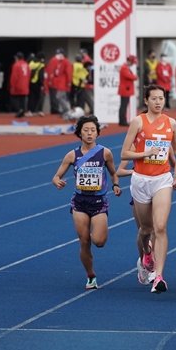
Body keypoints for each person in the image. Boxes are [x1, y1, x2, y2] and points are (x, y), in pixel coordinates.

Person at [121, 84, 176, 293]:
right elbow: (124, 153)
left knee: (160, 227)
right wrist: (145, 154)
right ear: (146, 101)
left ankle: (159, 277)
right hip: (141, 179)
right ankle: (145, 257)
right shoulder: (137, 122)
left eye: (161, 98)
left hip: (162, 179)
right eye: (154, 98)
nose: (159, 102)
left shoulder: (171, 122)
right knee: (146, 230)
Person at [52, 115, 123, 289]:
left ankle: (93, 239)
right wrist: (57, 181)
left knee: (99, 241)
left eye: (93, 130)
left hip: (99, 202)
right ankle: (90, 275)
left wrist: (115, 185)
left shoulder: (105, 153)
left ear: (97, 133)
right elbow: (56, 175)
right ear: (80, 133)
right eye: (86, 130)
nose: (89, 133)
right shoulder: (72, 155)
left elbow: (114, 173)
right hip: (79, 202)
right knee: (84, 241)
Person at [118, 55, 138, 126]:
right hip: (125, 89)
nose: (133, 64)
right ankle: (122, 120)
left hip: (126, 89)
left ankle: (123, 120)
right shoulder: (124, 68)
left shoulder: (126, 67)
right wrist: (135, 77)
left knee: (124, 105)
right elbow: (129, 76)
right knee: (123, 105)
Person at [9, 52, 29, 118]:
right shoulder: (26, 64)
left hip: (18, 84)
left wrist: (13, 85)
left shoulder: (16, 65)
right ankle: (22, 112)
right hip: (25, 85)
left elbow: (14, 77)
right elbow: (29, 75)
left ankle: (19, 110)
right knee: (23, 99)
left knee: (13, 98)